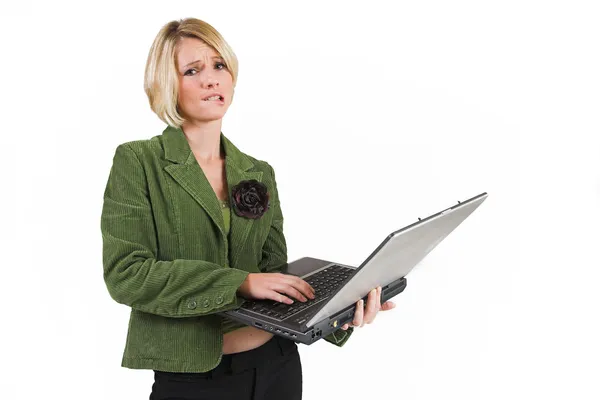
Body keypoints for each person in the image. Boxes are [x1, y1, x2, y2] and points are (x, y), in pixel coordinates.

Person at [100, 17, 396, 400]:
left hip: (278, 366)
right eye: (193, 70)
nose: (211, 79)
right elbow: (127, 275)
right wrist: (238, 281)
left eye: (219, 65)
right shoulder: (138, 161)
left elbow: (276, 279)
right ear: (166, 85)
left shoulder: (258, 172)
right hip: (193, 380)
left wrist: (340, 312)